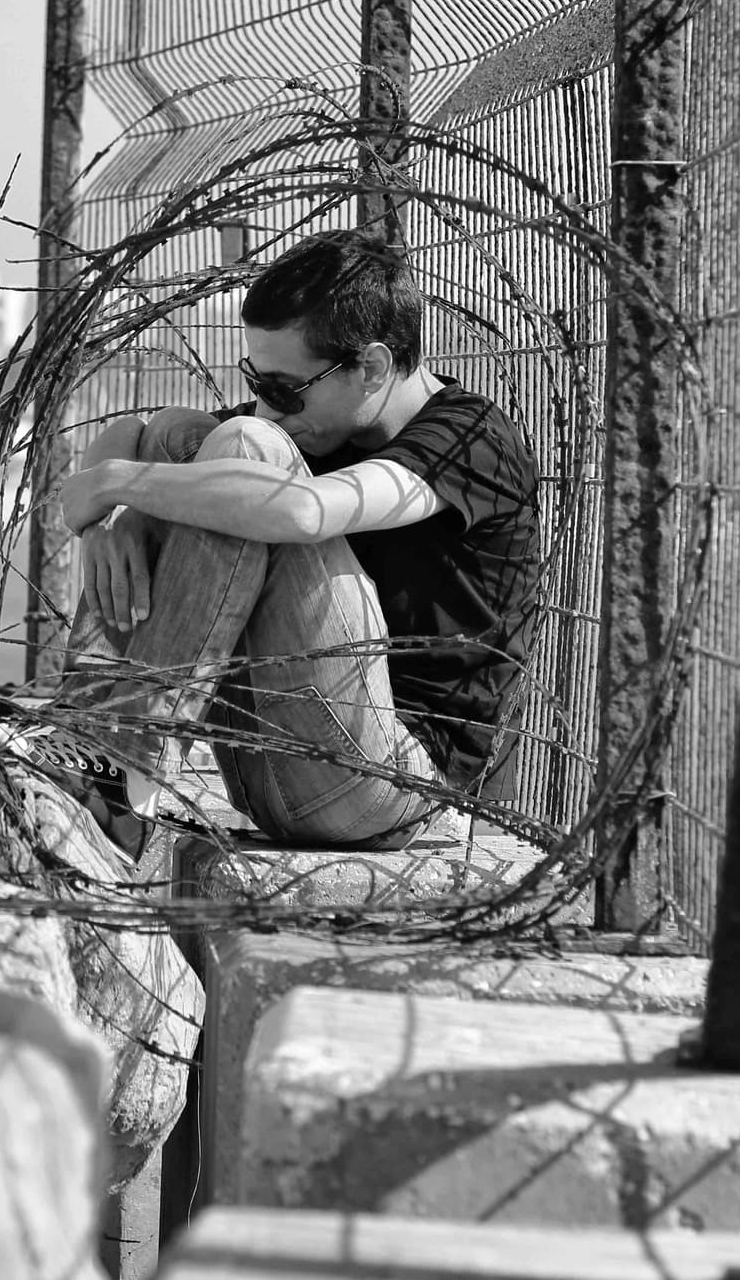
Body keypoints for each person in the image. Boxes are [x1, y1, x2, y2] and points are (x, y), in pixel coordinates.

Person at [38, 228, 540, 853]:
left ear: (373, 367)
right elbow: (139, 431)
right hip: (271, 766)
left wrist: (121, 485)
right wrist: (112, 520)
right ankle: (88, 744)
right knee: (181, 435)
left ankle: (121, 770)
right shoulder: (315, 421)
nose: (266, 403)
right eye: (258, 379)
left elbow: (304, 511)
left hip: (393, 787)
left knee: (246, 453)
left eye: (284, 387)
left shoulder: (470, 441)